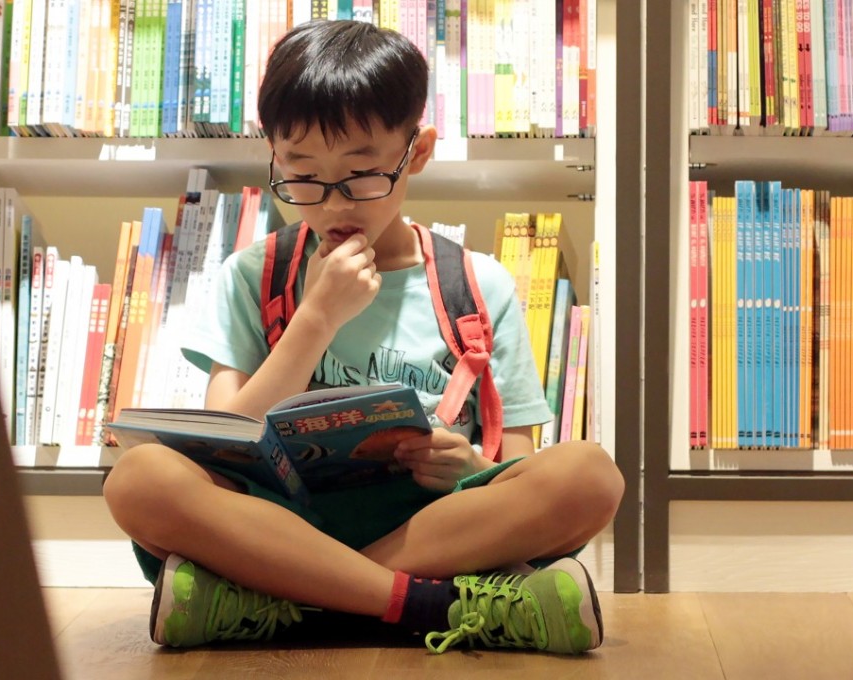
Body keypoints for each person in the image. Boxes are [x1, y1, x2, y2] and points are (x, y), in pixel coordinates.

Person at [103, 19, 624, 655]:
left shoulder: (477, 283)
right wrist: (317, 319)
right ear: (274, 158)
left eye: (362, 174)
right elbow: (223, 438)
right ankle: (431, 606)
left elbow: (511, 459)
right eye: (302, 175)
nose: (331, 205)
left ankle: (285, 604)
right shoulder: (254, 274)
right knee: (140, 479)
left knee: (590, 475)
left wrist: (469, 466)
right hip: (277, 523)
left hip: (433, 526)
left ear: (418, 152)